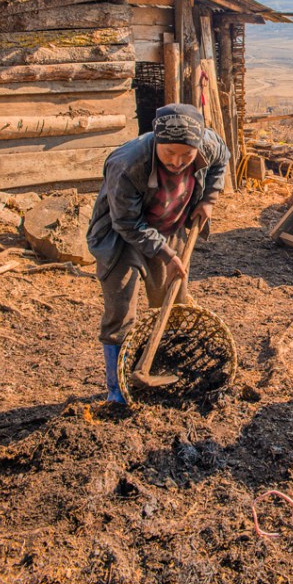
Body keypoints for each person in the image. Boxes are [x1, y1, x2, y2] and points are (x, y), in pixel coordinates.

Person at [87, 103, 230, 403]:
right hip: (120, 237)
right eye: (169, 154)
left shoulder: (206, 144)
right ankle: (118, 391)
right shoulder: (127, 164)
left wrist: (208, 199)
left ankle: (167, 363)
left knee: (172, 298)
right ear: (156, 141)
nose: (178, 162)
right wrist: (165, 253)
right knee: (120, 308)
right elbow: (126, 222)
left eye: (186, 156)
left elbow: (222, 158)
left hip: (169, 226)